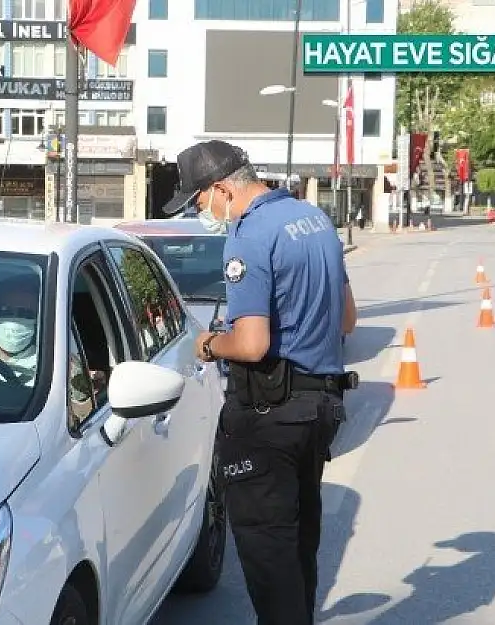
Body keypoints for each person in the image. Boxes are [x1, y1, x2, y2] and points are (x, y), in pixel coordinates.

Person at [161, 140, 358, 625]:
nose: (203, 211)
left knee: (269, 558)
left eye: (200, 200)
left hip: (268, 415)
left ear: (223, 188)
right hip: (320, 408)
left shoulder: (248, 236)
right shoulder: (313, 218)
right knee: (297, 546)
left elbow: (250, 345)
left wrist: (208, 344)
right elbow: (348, 319)